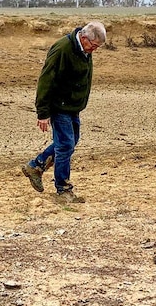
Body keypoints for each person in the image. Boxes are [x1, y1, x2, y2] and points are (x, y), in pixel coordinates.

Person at [21, 21, 106, 203]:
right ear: (84, 38)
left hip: (72, 106)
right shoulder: (62, 49)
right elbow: (46, 80)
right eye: (94, 46)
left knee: (70, 142)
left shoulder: (84, 50)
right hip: (59, 106)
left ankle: (36, 166)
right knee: (66, 144)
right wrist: (43, 113)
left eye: (98, 47)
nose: (95, 50)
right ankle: (63, 189)